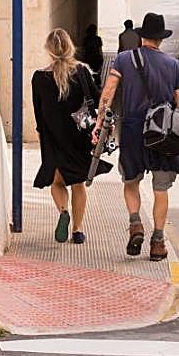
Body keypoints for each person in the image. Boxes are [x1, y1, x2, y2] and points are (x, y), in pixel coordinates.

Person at [93, 12, 179, 262]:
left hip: (134, 130)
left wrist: (100, 120)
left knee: (131, 181)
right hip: (162, 134)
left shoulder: (124, 59)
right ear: (161, 39)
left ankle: (135, 224)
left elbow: (109, 91)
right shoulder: (174, 65)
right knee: (161, 188)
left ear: (142, 36)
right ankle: (158, 242)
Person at [32, 28, 111, 245]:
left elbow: (38, 112)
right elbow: (98, 98)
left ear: (49, 49)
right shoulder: (82, 73)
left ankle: (63, 211)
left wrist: (41, 134)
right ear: (71, 47)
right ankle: (77, 230)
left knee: (57, 182)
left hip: (52, 137)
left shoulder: (39, 78)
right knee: (78, 183)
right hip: (78, 135)